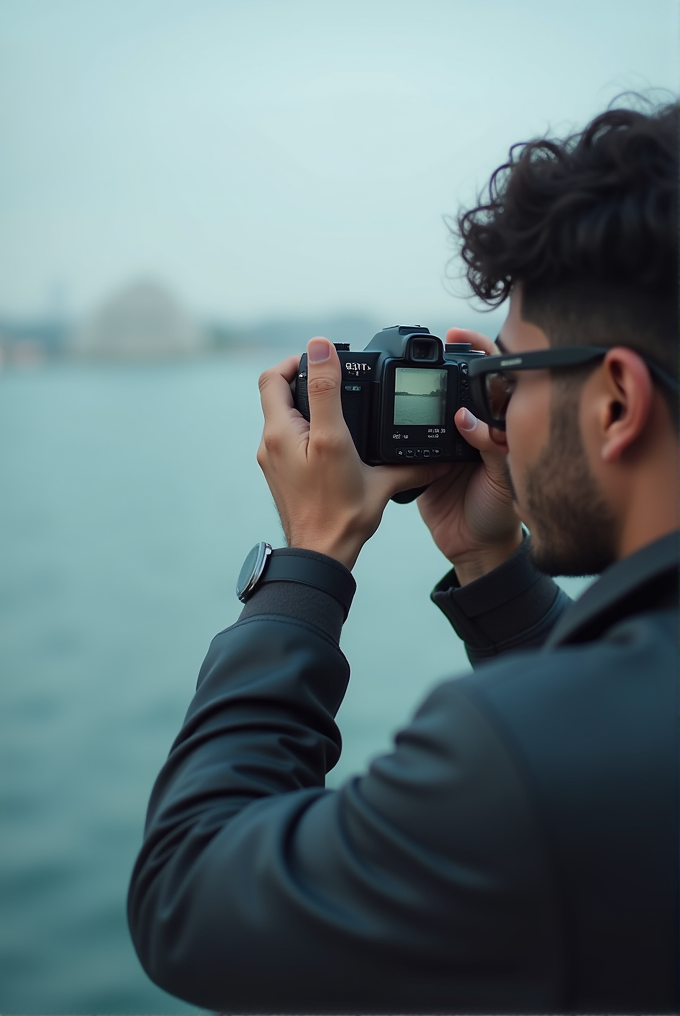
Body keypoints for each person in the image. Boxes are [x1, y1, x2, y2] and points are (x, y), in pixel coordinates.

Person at [128, 100, 678, 1014]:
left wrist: (309, 560)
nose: (493, 415)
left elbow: (189, 896)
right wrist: (494, 568)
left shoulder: (509, 760)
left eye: (511, 375)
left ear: (615, 401)